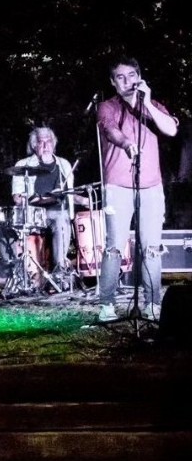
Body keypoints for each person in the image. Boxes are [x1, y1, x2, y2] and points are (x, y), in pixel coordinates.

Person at [96, 56, 178, 323]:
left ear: (139, 77)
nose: (127, 81)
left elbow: (171, 130)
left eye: (132, 75)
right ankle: (107, 305)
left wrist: (148, 102)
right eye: (120, 77)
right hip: (118, 185)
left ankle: (152, 303)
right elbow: (110, 131)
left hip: (151, 186)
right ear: (113, 82)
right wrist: (127, 144)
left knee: (152, 247)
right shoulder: (107, 106)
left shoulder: (153, 106)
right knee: (114, 248)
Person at [4, 126, 79, 283]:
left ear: (54, 143)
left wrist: (85, 200)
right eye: (41, 142)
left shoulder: (64, 165)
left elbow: (69, 195)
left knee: (61, 219)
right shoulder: (23, 165)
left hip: (57, 212)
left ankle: (60, 273)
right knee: (2, 229)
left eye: (48, 141)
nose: (45, 146)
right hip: (34, 213)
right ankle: (22, 274)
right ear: (34, 145)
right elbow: (17, 197)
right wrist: (32, 200)